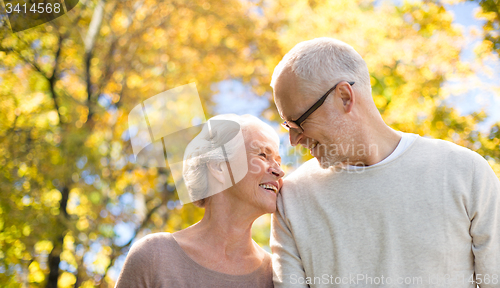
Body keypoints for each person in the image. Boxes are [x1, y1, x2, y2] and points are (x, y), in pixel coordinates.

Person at [270, 37, 500, 287]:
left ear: (345, 97)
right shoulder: (292, 199)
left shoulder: (465, 172)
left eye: (299, 122)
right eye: (287, 125)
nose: (293, 139)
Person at [115, 114, 284, 288]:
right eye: (263, 155)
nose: (280, 172)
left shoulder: (277, 276)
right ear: (219, 167)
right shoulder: (154, 256)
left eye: (279, 162)